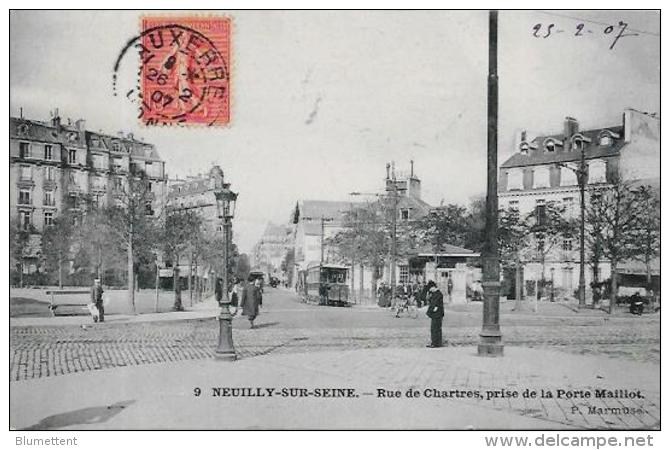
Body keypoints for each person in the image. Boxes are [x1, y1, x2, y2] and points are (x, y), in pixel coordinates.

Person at [425, 280, 444, 348]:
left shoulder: (438, 294)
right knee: (436, 329)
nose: (430, 290)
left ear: (433, 287)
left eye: (430, 289)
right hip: (437, 314)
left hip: (437, 314)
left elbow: (435, 305)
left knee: (435, 329)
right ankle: (437, 343)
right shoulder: (435, 293)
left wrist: (431, 312)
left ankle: (435, 343)